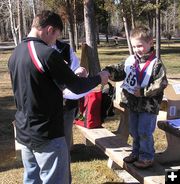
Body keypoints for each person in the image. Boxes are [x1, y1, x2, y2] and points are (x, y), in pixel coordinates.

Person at [8, 10, 109, 184]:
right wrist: (100, 77)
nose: (55, 41)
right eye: (55, 36)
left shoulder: (16, 52)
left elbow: (41, 84)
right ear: (49, 30)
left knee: (32, 179)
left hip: (24, 130)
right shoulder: (47, 54)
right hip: (47, 133)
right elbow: (77, 87)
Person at [104, 26, 168, 169]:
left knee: (144, 131)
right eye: (134, 46)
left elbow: (161, 83)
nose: (137, 49)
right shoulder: (131, 60)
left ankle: (147, 157)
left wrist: (144, 91)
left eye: (140, 45)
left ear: (150, 43)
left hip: (148, 106)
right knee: (134, 130)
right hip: (133, 104)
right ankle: (136, 152)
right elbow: (120, 70)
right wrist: (108, 71)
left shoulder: (156, 63)